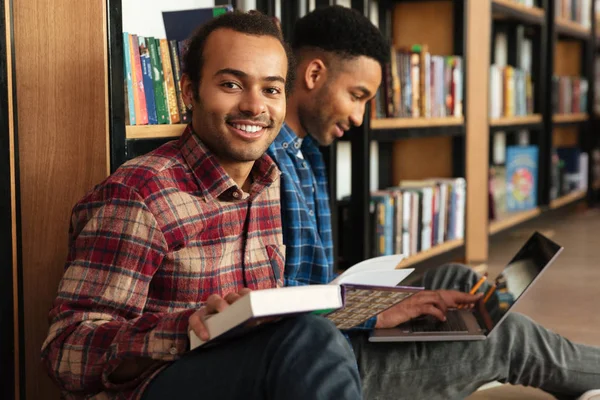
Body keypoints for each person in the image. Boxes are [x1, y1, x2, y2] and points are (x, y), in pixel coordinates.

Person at [266, 5, 600, 399]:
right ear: (314, 73)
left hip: (331, 328)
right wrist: (375, 314)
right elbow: (282, 313)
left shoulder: (307, 153)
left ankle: (474, 350)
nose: (359, 117)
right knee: (508, 340)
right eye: (356, 96)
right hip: (325, 362)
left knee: (457, 282)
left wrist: (389, 304)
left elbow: (316, 289)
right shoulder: (269, 165)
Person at [41, 11, 362, 400]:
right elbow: (66, 352)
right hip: (157, 385)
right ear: (189, 92)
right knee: (311, 342)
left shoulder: (270, 182)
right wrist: (188, 328)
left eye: (271, 90)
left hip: (244, 375)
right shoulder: (141, 193)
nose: (254, 106)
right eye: (231, 84)